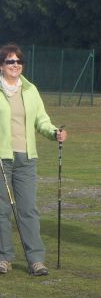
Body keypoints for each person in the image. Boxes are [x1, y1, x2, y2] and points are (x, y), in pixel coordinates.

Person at [0, 44, 68, 276]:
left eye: (19, 61)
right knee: (2, 210)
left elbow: (42, 120)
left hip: (26, 158)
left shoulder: (30, 90)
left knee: (28, 209)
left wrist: (54, 132)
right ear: (1, 65)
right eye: (10, 61)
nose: (15, 65)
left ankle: (36, 260)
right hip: (2, 158)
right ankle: (4, 258)